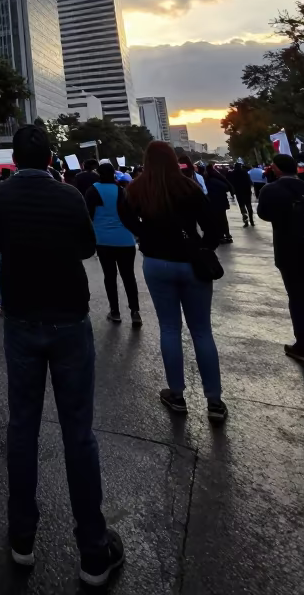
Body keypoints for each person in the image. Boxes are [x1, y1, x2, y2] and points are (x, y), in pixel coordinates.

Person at [0, 125, 123, 582]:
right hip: (68, 318)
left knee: (22, 426)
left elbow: (0, 241)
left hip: (22, 319)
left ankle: (22, 537)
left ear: (15, 158)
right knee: (78, 433)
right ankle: (92, 549)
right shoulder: (68, 197)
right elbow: (87, 246)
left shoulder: (0, 197)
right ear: (49, 158)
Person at [121, 142, 226, 424]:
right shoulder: (188, 187)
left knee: (169, 328)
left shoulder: (137, 188)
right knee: (202, 331)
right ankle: (214, 400)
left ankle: (177, 393)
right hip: (190, 261)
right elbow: (213, 224)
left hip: (156, 262)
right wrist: (203, 247)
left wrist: (145, 235)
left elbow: (126, 215)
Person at [257, 153, 304, 365]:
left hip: (290, 253)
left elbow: (264, 214)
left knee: (298, 300)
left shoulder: (270, 190)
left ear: (276, 169)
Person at [84, 161, 141, 326]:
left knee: (110, 277)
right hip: (125, 240)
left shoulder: (92, 190)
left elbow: (89, 215)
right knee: (129, 276)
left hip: (103, 240)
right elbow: (132, 214)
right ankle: (135, 311)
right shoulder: (122, 190)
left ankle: (115, 311)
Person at [204, 163, 234, 244]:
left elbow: (225, 187)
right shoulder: (216, 177)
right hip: (220, 202)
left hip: (216, 202)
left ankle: (223, 236)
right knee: (222, 219)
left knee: (219, 219)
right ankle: (225, 235)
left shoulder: (212, 179)